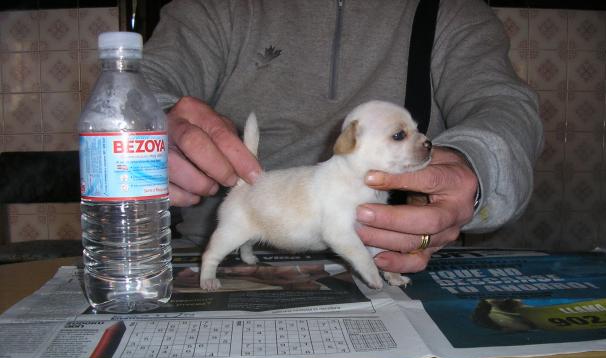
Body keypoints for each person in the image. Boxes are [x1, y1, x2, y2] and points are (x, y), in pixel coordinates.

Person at [141, 0, 544, 274]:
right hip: (209, 252)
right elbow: (139, 83)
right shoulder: (212, 6)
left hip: (399, 252)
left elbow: (504, 104)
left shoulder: (452, 9)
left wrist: (474, 164)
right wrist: (151, 121)